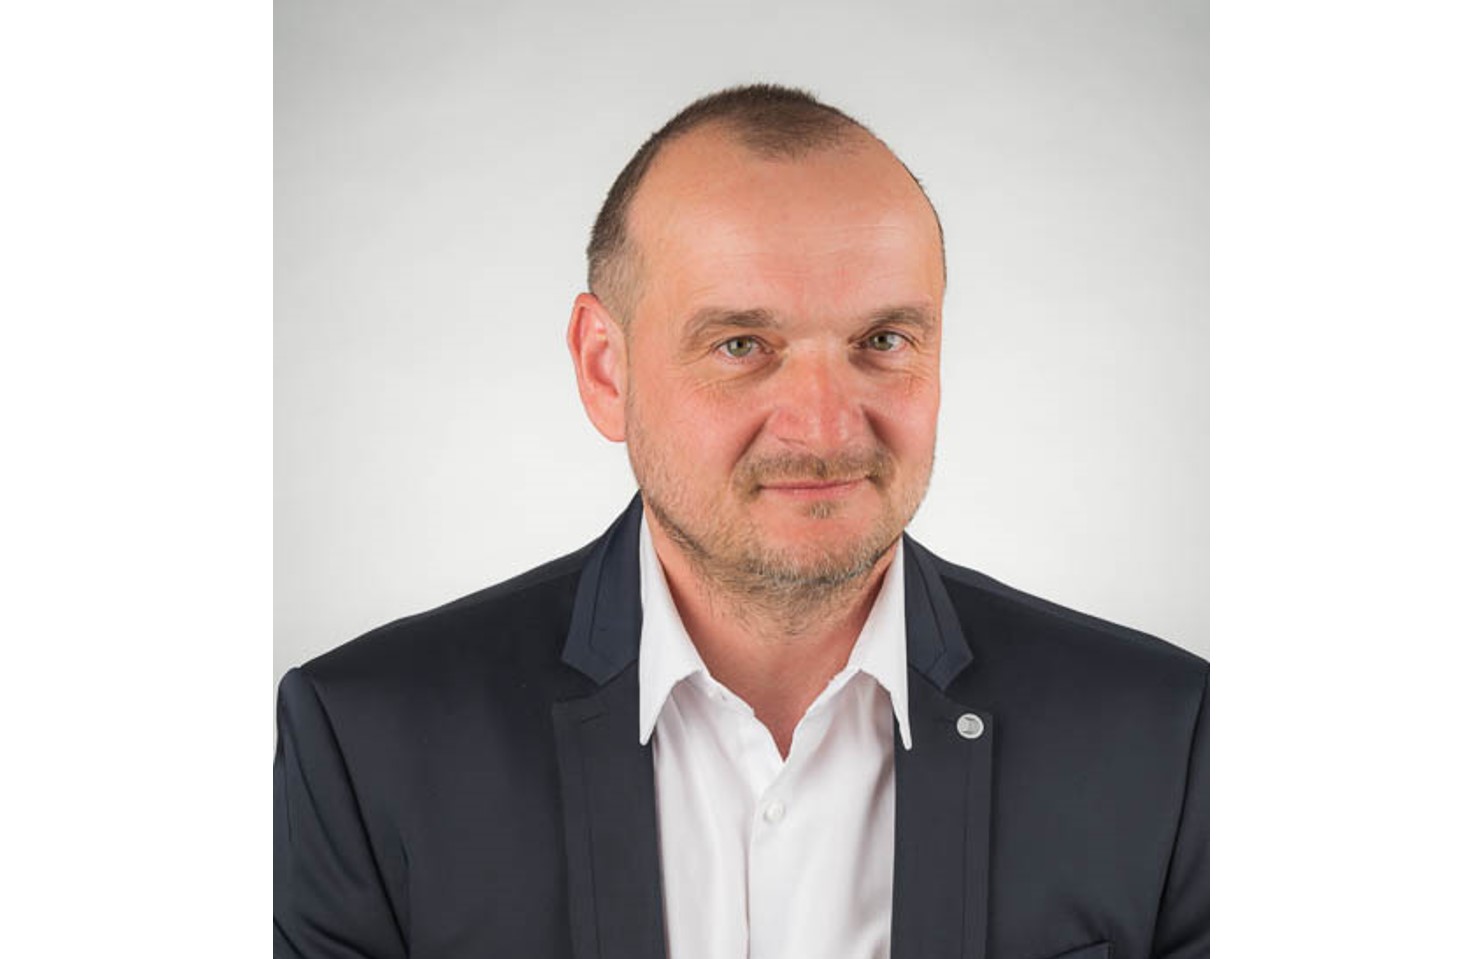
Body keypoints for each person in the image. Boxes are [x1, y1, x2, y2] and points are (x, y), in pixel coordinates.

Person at [274, 85, 1208, 959]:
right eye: (741, 345)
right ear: (605, 369)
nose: (826, 427)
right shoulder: (368, 744)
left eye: (883, 341)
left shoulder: (1164, 741)